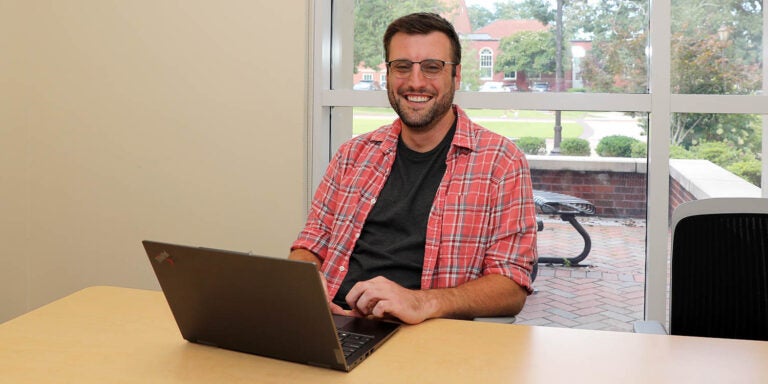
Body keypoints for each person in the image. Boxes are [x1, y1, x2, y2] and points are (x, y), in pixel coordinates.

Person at [290, 12, 537, 325]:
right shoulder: (352, 155)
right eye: (402, 67)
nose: (415, 82)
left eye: (432, 67)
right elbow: (310, 246)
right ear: (389, 74)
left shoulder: (501, 162)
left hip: (426, 333)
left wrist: (422, 302)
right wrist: (308, 285)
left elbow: (511, 287)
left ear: (456, 76)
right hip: (334, 322)